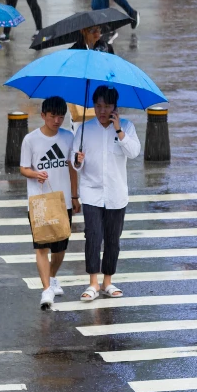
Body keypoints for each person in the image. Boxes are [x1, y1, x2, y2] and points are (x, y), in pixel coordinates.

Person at [72, 85, 141, 302]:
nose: (102, 110)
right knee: (93, 235)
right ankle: (93, 282)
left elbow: (134, 152)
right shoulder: (84, 129)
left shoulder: (127, 127)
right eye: (98, 106)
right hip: (91, 192)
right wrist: (77, 160)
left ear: (115, 107)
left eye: (107, 106)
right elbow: (74, 163)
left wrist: (119, 131)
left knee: (113, 239)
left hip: (116, 193)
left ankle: (107, 281)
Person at [19, 96, 78, 309]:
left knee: (60, 248)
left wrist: (75, 195)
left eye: (61, 116)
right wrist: (35, 174)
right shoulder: (31, 140)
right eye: (52, 116)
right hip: (40, 201)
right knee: (41, 247)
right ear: (43, 115)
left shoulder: (69, 137)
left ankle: (52, 277)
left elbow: (73, 167)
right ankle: (46, 290)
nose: (57, 120)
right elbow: (23, 168)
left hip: (63, 201)